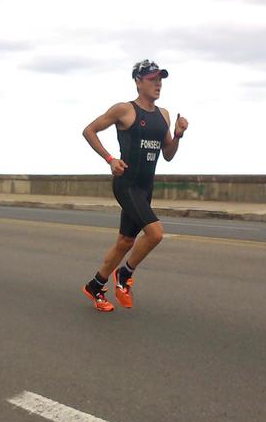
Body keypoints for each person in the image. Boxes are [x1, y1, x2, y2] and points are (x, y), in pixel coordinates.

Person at [81, 59, 189, 312]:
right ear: (138, 82)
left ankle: (95, 286)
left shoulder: (163, 115)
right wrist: (110, 159)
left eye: (160, 79)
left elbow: (168, 154)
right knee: (155, 233)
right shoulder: (124, 110)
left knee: (125, 242)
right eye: (152, 79)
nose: (158, 83)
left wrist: (177, 135)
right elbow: (89, 130)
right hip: (126, 184)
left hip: (145, 187)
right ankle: (124, 275)